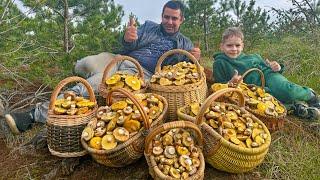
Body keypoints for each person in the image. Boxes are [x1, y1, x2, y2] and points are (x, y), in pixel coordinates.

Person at [2, 0, 201, 134]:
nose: (169, 22)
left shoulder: (184, 43)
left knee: (89, 86)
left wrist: (194, 59)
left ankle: (32, 116)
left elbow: (180, 72)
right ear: (162, 16)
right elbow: (125, 45)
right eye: (167, 17)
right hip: (117, 58)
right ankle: (79, 70)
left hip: (135, 73)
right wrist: (127, 38)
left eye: (174, 18)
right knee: (84, 63)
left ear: (182, 20)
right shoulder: (149, 26)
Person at [213, 27, 320, 120]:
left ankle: (310, 95)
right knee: (267, 101)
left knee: (285, 89)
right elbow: (218, 85)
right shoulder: (220, 62)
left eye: (237, 45)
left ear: (242, 46)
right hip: (253, 88)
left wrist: (277, 67)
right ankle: (296, 108)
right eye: (229, 46)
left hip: (268, 76)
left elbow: (268, 66)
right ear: (221, 46)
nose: (234, 49)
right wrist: (230, 82)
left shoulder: (252, 56)